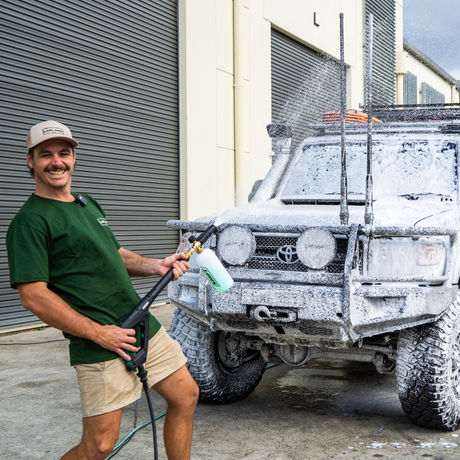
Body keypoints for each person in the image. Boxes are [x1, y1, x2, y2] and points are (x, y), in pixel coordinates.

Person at [6, 120, 198, 460]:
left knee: (186, 394)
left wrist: (156, 265)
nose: (56, 161)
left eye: (64, 153)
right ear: (30, 161)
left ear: (74, 157)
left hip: (141, 325)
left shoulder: (86, 203)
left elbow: (117, 254)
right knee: (99, 445)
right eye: (45, 155)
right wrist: (99, 334)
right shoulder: (30, 221)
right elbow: (32, 295)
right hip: (101, 339)